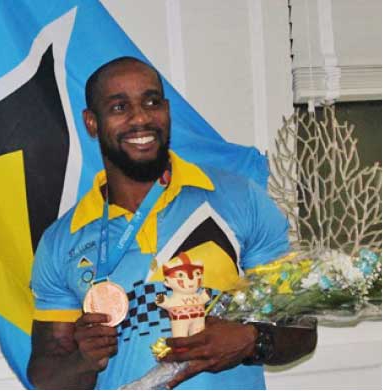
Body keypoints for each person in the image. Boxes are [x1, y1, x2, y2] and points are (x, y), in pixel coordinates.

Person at [27, 56, 316, 389]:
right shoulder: (62, 240)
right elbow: (46, 375)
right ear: (92, 123)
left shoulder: (238, 198)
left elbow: (303, 330)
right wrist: (83, 360)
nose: (140, 118)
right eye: (119, 107)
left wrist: (251, 341)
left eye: (152, 102)